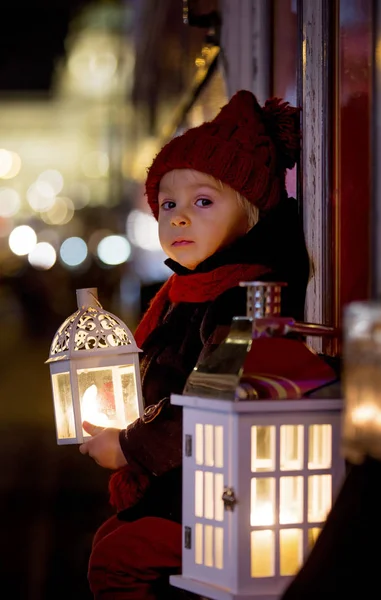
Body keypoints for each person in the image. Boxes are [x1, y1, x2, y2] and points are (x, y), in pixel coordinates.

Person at [79, 90, 310, 599]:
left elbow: (211, 398)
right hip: (197, 484)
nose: (179, 217)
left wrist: (127, 446)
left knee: (118, 557)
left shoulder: (244, 302)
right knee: (114, 540)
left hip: (234, 499)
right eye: (168, 204)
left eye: (203, 201)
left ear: (250, 212)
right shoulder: (192, 292)